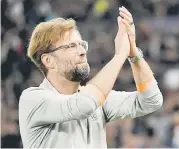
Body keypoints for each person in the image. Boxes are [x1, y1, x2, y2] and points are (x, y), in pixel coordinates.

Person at [18, 6, 163, 148]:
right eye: (71, 46)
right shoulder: (33, 99)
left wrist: (133, 54)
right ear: (48, 60)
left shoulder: (97, 100)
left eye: (81, 44)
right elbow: (83, 105)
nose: (82, 51)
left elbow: (151, 100)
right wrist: (119, 56)